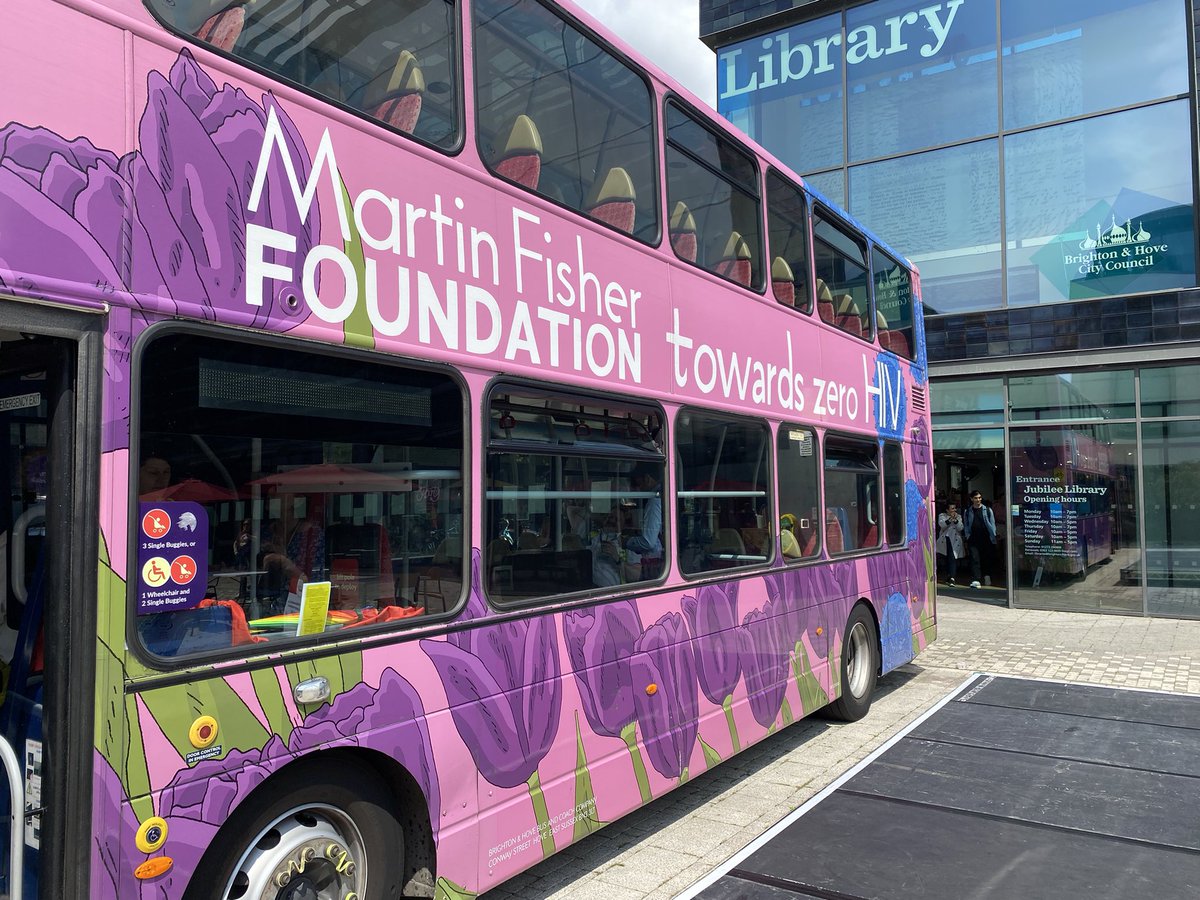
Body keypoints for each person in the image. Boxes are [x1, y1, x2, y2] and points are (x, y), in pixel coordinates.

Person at [625, 462, 663, 577]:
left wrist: (626, 542)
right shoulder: (664, 493)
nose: (639, 489)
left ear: (647, 479)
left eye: (639, 483)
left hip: (655, 563)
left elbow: (648, 542)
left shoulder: (654, 500)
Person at [963, 491, 997, 588]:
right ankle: (976, 579)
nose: (978, 500)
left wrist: (993, 536)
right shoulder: (968, 511)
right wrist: (967, 535)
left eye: (979, 498)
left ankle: (987, 576)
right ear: (972, 499)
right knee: (974, 558)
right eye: (976, 498)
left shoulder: (987, 510)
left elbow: (992, 523)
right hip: (973, 538)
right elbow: (966, 524)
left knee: (986, 557)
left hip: (986, 537)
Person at [936, 503, 966, 585]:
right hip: (945, 539)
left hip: (955, 540)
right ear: (947, 510)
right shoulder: (942, 516)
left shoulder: (958, 516)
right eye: (952, 508)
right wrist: (949, 520)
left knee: (952, 558)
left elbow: (961, 527)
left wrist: (956, 520)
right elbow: (942, 525)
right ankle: (949, 575)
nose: (954, 510)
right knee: (946, 558)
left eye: (955, 508)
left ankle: (952, 577)